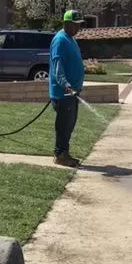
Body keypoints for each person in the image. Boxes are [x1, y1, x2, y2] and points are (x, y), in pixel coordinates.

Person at [49, 10, 86, 167]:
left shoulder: (70, 39)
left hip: (71, 93)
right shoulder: (60, 40)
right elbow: (58, 67)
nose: (78, 28)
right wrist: (66, 85)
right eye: (75, 25)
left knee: (69, 124)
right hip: (63, 93)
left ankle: (64, 152)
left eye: (79, 25)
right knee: (64, 126)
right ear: (66, 24)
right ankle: (60, 155)